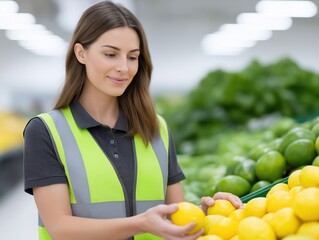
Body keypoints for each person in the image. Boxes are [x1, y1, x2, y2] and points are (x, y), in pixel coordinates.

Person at [23, 1, 243, 240]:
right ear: (81, 53)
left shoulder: (156, 128)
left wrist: (205, 214)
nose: (123, 68)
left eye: (132, 57)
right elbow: (60, 228)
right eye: (110, 54)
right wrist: (141, 224)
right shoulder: (46, 130)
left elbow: (173, 217)